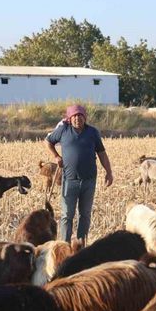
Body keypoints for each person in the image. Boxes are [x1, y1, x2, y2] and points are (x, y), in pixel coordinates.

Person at [45, 104, 113, 245]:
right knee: (66, 216)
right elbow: (48, 142)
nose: (77, 118)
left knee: (85, 215)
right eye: (74, 116)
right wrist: (56, 157)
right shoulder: (63, 130)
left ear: (85, 117)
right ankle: (65, 246)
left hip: (89, 180)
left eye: (80, 115)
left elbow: (101, 153)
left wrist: (109, 172)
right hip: (70, 180)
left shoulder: (92, 132)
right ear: (69, 118)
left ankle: (81, 246)